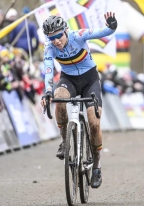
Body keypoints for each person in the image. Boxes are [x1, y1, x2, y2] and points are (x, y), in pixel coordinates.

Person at [40, 12, 117, 189]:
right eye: (52, 38)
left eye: (59, 35)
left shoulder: (79, 36)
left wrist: (112, 25)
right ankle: (64, 141)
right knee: (59, 99)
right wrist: (48, 92)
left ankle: (97, 166)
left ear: (65, 31)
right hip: (68, 80)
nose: (56, 41)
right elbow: (49, 70)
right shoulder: (49, 48)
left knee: (94, 123)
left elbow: (104, 32)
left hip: (90, 81)